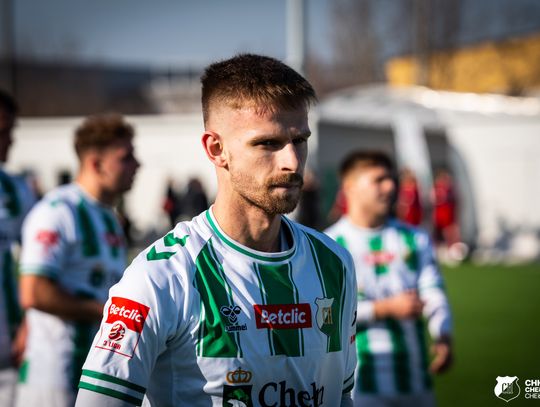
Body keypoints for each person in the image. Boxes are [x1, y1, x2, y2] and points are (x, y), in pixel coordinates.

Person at [75, 54, 357, 407]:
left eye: (299, 140)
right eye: (268, 143)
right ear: (216, 149)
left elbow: (341, 396)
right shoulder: (162, 275)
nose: (292, 161)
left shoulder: (333, 263)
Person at [16, 113, 140, 407]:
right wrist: (109, 313)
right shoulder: (57, 211)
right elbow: (34, 292)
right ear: (96, 164)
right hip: (54, 379)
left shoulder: (108, 217)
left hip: (92, 370)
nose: (137, 165)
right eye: (125, 158)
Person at [325, 151, 452, 407]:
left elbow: (433, 291)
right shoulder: (329, 245)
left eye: (391, 179)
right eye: (379, 180)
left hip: (416, 381)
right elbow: (327, 315)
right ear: (350, 187)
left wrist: (443, 333)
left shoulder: (415, 238)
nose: (391, 187)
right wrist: (385, 308)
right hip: (360, 389)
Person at [0, 90, 36, 407]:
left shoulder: (15, 189)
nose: (10, 141)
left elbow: (34, 259)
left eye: (10, 131)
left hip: (8, 337)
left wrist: (27, 324)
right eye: (2, 132)